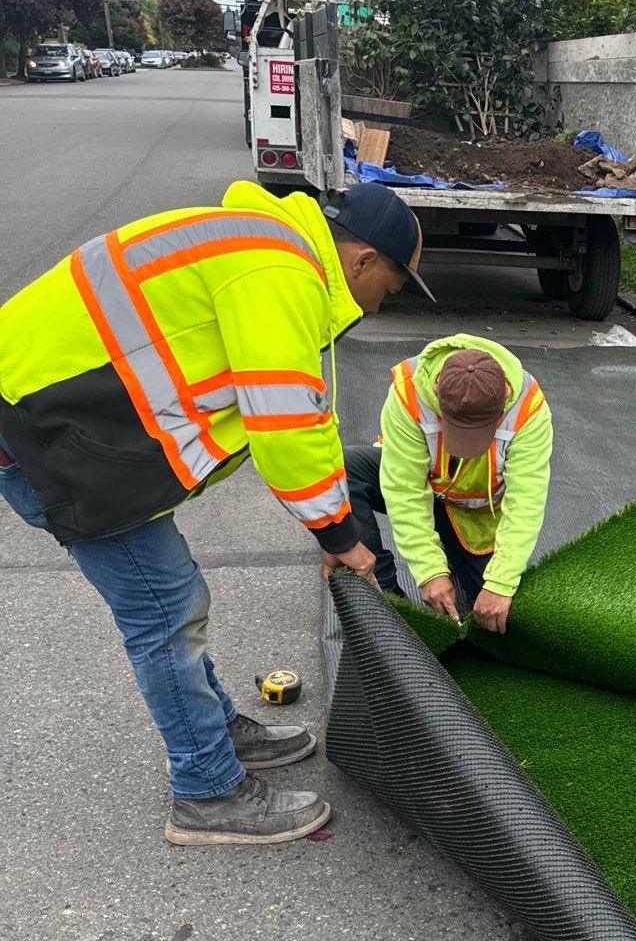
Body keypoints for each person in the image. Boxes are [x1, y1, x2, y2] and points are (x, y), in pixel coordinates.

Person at [0, 179, 432, 845]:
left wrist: (333, 519)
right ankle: (207, 791)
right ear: (363, 262)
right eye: (392, 289)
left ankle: (218, 732)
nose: (380, 306)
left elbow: (306, 411)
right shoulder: (278, 270)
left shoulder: (272, 251)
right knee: (165, 607)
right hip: (51, 430)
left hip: (72, 419)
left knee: (171, 595)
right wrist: (338, 534)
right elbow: (282, 421)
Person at [342, 335, 552, 634]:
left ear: (503, 401)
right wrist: (430, 573)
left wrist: (500, 583)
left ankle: (460, 565)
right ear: (438, 396)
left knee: (491, 614)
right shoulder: (409, 392)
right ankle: (384, 596)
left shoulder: (527, 408)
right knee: (346, 467)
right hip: (430, 487)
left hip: (474, 517)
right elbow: (406, 492)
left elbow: (525, 504)